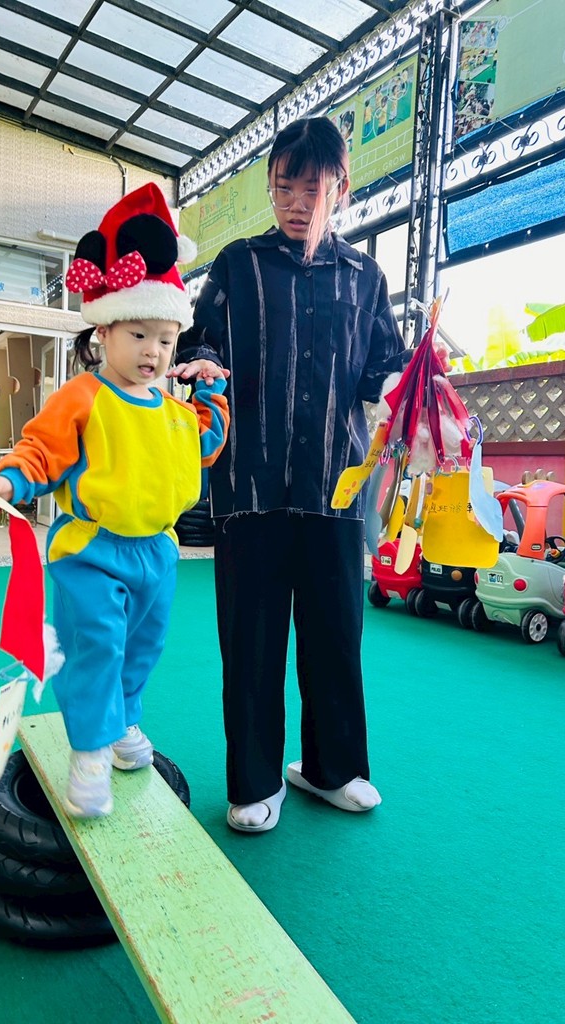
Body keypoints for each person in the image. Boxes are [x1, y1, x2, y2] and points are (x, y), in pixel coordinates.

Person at [171, 116, 409, 833]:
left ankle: (333, 770)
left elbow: (381, 368)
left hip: (336, 487)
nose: (297, 203)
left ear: (341, 188)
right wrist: (201, 363)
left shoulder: (366, 278)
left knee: (336, 635)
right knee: (251, 639)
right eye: (284, 188)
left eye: (312, 188)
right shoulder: (236, 265)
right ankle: (255, 783)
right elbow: (198, 341)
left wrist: (414, 386)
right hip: (249, 487)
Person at [0, 183, 229, 819]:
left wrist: (211, 394)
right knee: (97, 643)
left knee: (142, 648)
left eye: (165, 340)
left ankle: (122, 723)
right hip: (91, 549)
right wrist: (10, 479)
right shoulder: (84, 395)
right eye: (139, 334)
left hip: (158, 553)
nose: (153, 351)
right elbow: (41, 449)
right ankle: (88, 750)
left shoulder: (172, 409)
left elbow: (206, 443)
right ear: (105, 331)